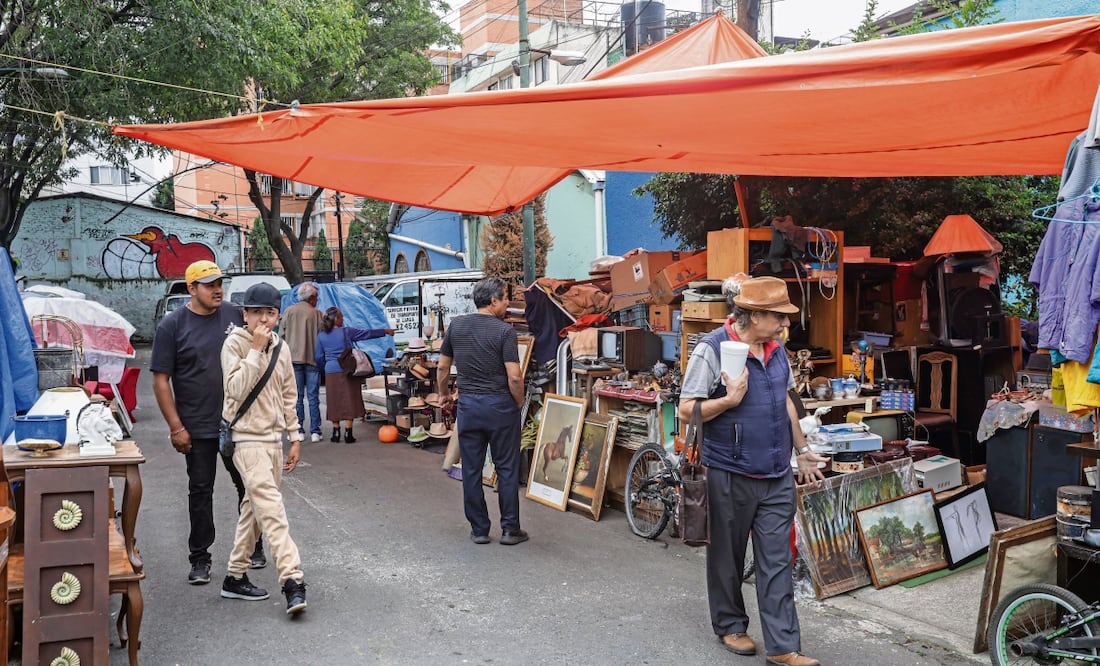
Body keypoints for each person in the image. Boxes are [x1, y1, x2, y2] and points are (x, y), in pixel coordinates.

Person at [678, 276, 828, 666]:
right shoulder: (712, 349)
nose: (784, 324)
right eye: (778, 317)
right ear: (755, 314)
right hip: (728, 470)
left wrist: (804, 450)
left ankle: (783, 647)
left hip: (776, 473)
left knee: (777, 560)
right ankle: (730, 624)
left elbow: (787, 403)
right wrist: (729, 401)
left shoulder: (778, 351)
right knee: (727, 556)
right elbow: (685, 409)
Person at [151, 260, 266, 585]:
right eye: (209, 284)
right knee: (200, 491)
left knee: (248, 486)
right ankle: (200, 558)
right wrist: (176, 427)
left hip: (239, 421)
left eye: (219, 283)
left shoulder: (234, 314)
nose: (217, 289)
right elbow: (161, 380)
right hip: (197, 426)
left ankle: (254, 546)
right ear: (191, 288)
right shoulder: (172, 326)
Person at [219, 282, 308, 615]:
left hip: (273, 440)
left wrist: (295, 436)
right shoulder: (235, 344)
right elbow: (235, 389)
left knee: (253, 509)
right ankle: (292, 581)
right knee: (272, 510)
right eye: (256, 313)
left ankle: (234, 576)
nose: (263, 320)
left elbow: (288, 394)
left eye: (270, 313)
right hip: (245, 439)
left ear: (278, 315)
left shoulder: (282, 348)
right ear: (245, 314)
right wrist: (255, 350)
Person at [435, 277, 526, 546]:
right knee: (507, 469)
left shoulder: (457, 326)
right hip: (500, 407)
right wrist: (518, 402)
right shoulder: (504, 332)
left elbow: (442, 367)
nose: (508, 302)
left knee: (472, 469)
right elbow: (515, 377)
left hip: (469, 407)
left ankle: (479, 529)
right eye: (506, 297)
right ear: (493, 301)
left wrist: (443, 394)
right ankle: (510, 530)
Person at [314, 306, 393, 443]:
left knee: (334, 401)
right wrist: (385, 331)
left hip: (330, 371)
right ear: (337, 319)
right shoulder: (346, 332)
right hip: (348, 370)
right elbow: (366, 333)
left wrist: (326, 367)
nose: (343, 319)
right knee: (349, 399)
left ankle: (336, 432)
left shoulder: (321, 336)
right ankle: (348, 433)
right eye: (342, 317)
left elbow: (319, 357)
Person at [281, 282, 325, 443]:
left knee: (296, 397)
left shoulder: (289, 312)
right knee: (313, 397)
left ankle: (298, 430)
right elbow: (322, 337)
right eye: (316, 297)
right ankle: (315, 432)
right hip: (312, 360)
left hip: (293, 360)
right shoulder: (317, 314)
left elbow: (281, 335)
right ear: (312, 298)